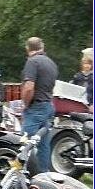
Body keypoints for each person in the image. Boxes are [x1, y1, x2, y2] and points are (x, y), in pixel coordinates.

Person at [20, 37, 58, 172]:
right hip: (48, 105)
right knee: (43, 143)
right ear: (42, 47)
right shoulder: (51, 63)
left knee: (24, 141)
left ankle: (23, 171)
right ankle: (43, 172)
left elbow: (29, 87)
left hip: (35, 107)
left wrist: (25, 103)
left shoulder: (32, 62)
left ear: (27, 48)